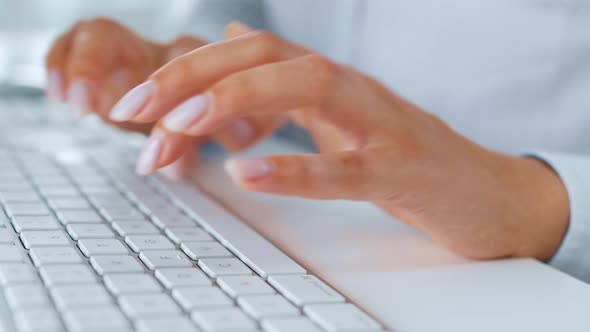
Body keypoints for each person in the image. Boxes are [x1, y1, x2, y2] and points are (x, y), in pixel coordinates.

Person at [43, 1, 590, 283]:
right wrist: (186, 75)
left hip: (531, 275)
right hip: (265, 212)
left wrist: (539, 202)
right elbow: (243, 18)